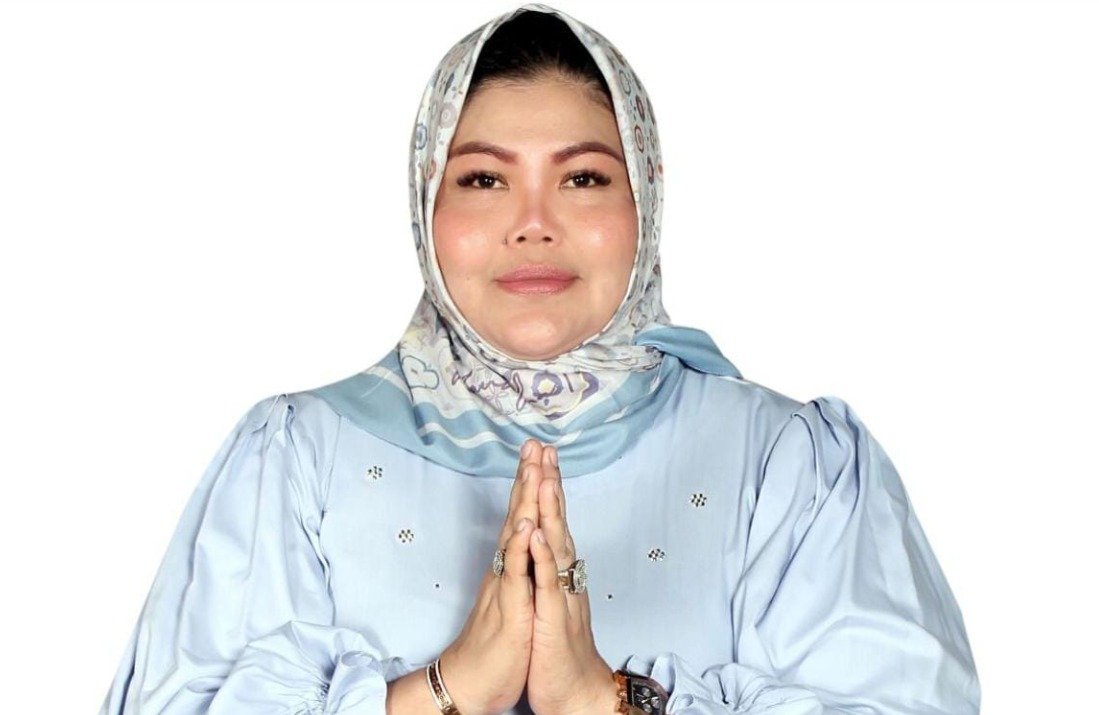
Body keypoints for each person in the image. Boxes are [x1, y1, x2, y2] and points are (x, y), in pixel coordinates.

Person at [98, 4, 981, 714]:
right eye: (483, 179)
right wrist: (444, 690)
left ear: (645, 200)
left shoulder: (795, 470)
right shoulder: (295, 460)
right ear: (425, 206)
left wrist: (601, 700)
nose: (532, 223)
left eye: (582, 177)